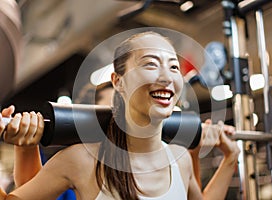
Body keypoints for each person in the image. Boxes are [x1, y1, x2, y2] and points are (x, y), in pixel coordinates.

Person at [0, 31, 240, 199]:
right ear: (119, 82)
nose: (167, 76)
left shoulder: (180, 159)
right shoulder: (81, 160)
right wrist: (26, 146)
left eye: (173, 67)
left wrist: (230, 158)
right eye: (150, 64)